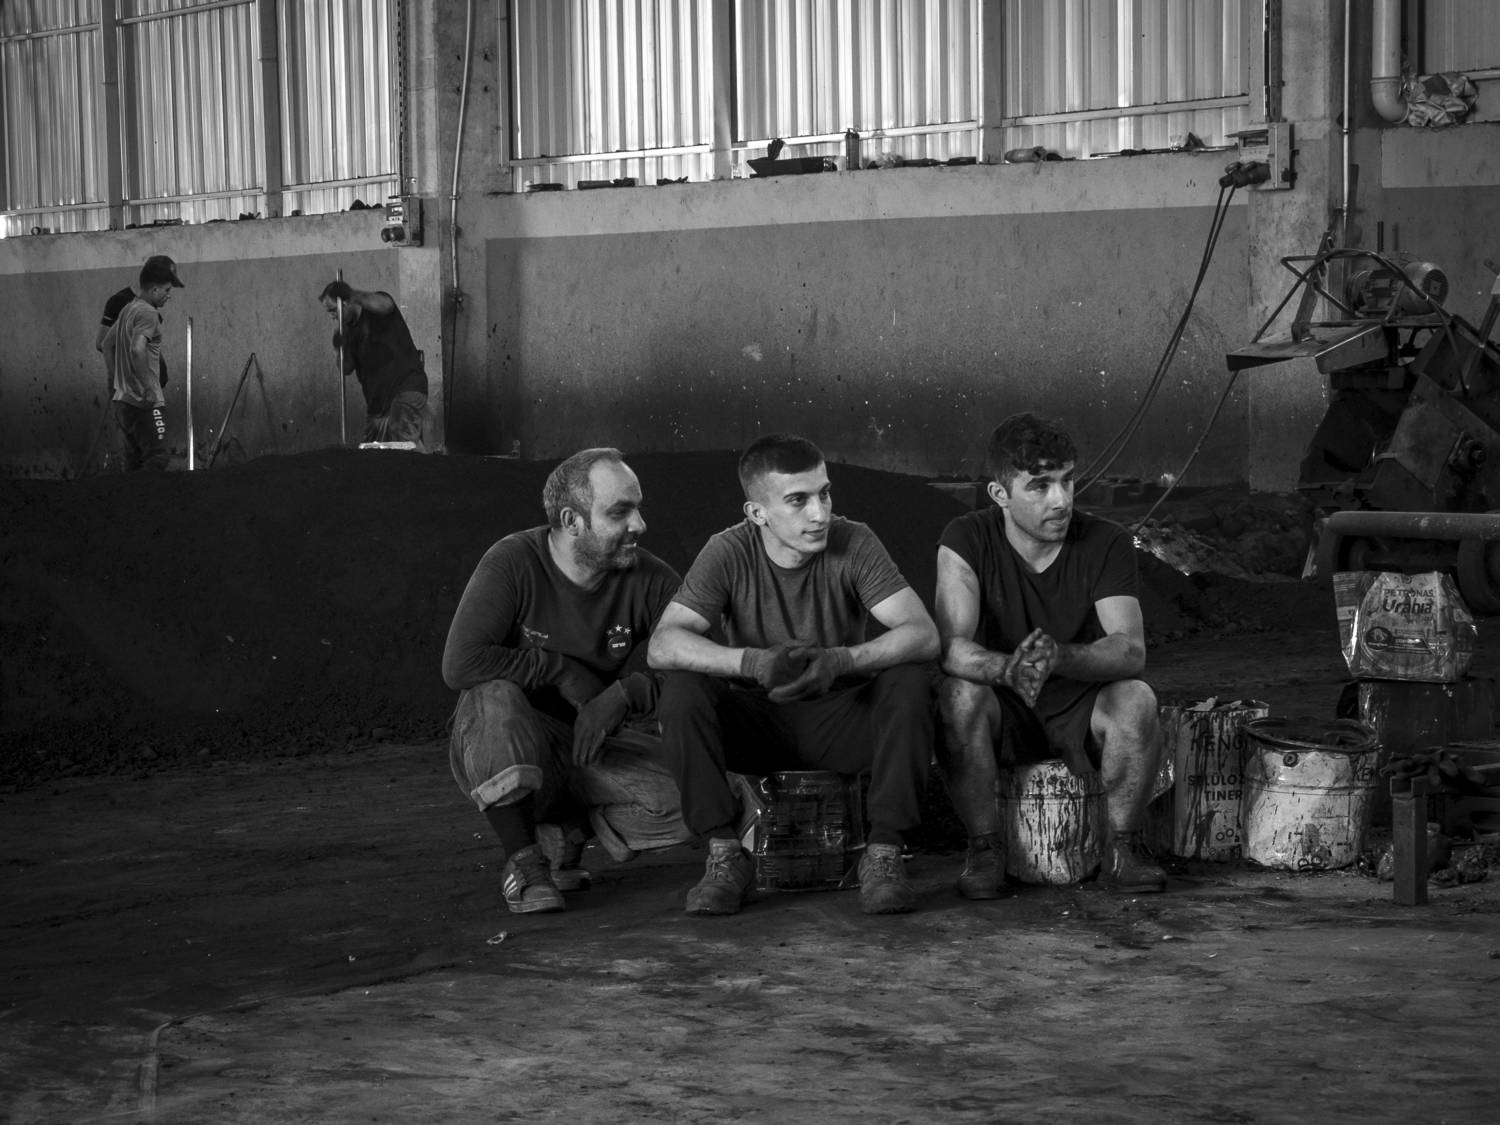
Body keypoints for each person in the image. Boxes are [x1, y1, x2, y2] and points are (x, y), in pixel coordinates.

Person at [648, 434, 940, 917]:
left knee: (909, 680)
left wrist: (840, 661)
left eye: (824, 493)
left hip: (839, 721)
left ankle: (884, 855)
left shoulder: (853, 540)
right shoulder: (728, 550)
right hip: (759, 723)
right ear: (757, 513)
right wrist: (752, 663)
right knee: (682, 689)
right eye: (798, 500)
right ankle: (724, 854)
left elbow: (923, 634)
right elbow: (662, 644)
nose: (819, 513)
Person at [442, 448, 692, 915]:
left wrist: (626, 693)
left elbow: (701, 661)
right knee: (495, 695)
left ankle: (565, 830)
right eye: (619, 512)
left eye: (638, 509)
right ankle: (524, 862)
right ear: (571, 520)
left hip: (588, 743)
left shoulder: (650, 578)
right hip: (505, 740)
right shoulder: (513, 561)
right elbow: (461, 664)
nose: (639, 524)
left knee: (700, 796)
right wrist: (559, 670)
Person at [934, 412, 1167, 898]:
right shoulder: (965, 537)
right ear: (1000, 494)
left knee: (1137, 698)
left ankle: (1123, 849)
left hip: (1081, 703)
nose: (1060, 500)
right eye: (1039, 486)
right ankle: (984, 850)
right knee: (957, 695)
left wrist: (1058, 656)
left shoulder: (1107, 541)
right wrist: (1008, 668)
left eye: (1067, 481)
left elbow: (1130, 650)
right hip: (1006, 704)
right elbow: (952, 648)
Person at [319, 280, 428, 445]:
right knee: (370, 453)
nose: (332, 316)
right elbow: (346, 368)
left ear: (346, 302)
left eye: (334, 310)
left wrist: (352, 293)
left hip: (406, 388)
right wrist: (339, 348)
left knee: (403, 444)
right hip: (377, 405)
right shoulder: (346, 331)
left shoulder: (376, 310)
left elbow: (386, 305)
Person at [101, 257, 184, 471]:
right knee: (158, 457)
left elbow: (106, 344)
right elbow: (137, 349)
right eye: (167, 290)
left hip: (124, 401)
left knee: (134, 461)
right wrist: (148, 388)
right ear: (154, 289)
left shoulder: (128, 309)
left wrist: (118, 383)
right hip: (145, 403)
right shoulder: (148, 313)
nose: (169, 295)